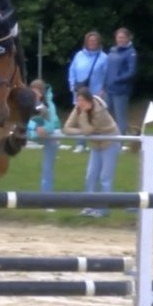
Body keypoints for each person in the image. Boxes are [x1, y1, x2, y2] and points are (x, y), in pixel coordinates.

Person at [63, 87, 121, 218]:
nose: (80, 103)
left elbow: (89, 130)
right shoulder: (78, 108)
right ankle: (89, 206)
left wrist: (82, 116)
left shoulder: (99, 111)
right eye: (78, 100)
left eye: (83, 100)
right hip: (96, 144)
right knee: (90, 176)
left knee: (105, 178)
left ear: (89, 100)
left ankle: (103, 210)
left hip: (110, 143)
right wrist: (80, 131)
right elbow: (67, 128)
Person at [67, 31, 107, 152]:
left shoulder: (104, 57)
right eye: (90, 40)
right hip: (80, 92)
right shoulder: (79, 55)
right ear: (86, 42)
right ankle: (80, 143)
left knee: (96, 117)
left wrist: (103, 89)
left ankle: (99, 142)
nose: (92, 43)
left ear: (98, 42)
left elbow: (107, 75)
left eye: (94, 41)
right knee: (80, 116)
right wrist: (72, 84)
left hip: (96, 93)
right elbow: (72, 71)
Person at [26, 79, 60, 200]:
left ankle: (46, 198)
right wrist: (35, 130)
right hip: (37, 134)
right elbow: (22, 123)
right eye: (32, 91)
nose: (34, 94)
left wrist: (43, 130)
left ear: (42, 93)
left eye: (37, 91)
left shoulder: (48, 105)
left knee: (47, 167)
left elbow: (51, 124)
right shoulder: (28, 104)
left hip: (52, 136)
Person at [104, 27, 138, 135]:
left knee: (120, 116)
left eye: (123, 37)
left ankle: (121, 140)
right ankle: (107, 138)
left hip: (121, 90)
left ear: (128, 38)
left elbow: (131, 71)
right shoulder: (112, 50)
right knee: (105, 114)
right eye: (119, 37)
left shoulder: (131, 52)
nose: (120, 39)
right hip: (108, 89)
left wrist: (117, 79)